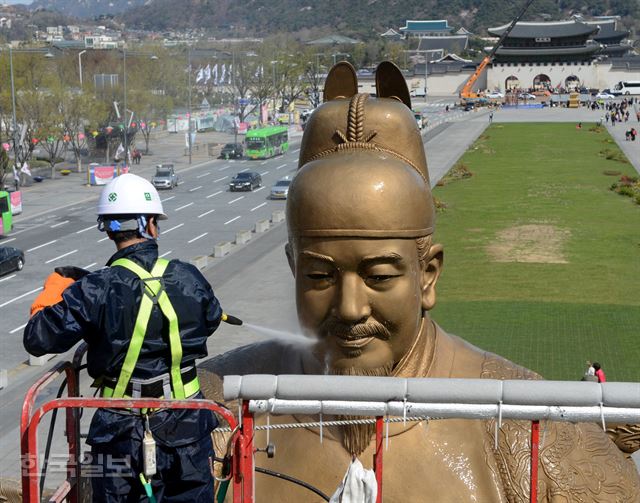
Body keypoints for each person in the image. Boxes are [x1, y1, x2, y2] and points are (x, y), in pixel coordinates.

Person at [200, 62, 640, 501]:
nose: (351, 308)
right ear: (294, 268)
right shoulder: (213, 406)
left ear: (427, 275)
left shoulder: (525, 430)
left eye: (379, 276)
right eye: (320, 276)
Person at [24, 173, 224, 502]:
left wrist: (56, 291)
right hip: (187, 426)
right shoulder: (187, 276)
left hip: (120, 433)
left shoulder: (94, 290)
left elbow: (37, 339)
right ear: (152, 225)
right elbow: (211, 319)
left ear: (108, 229)